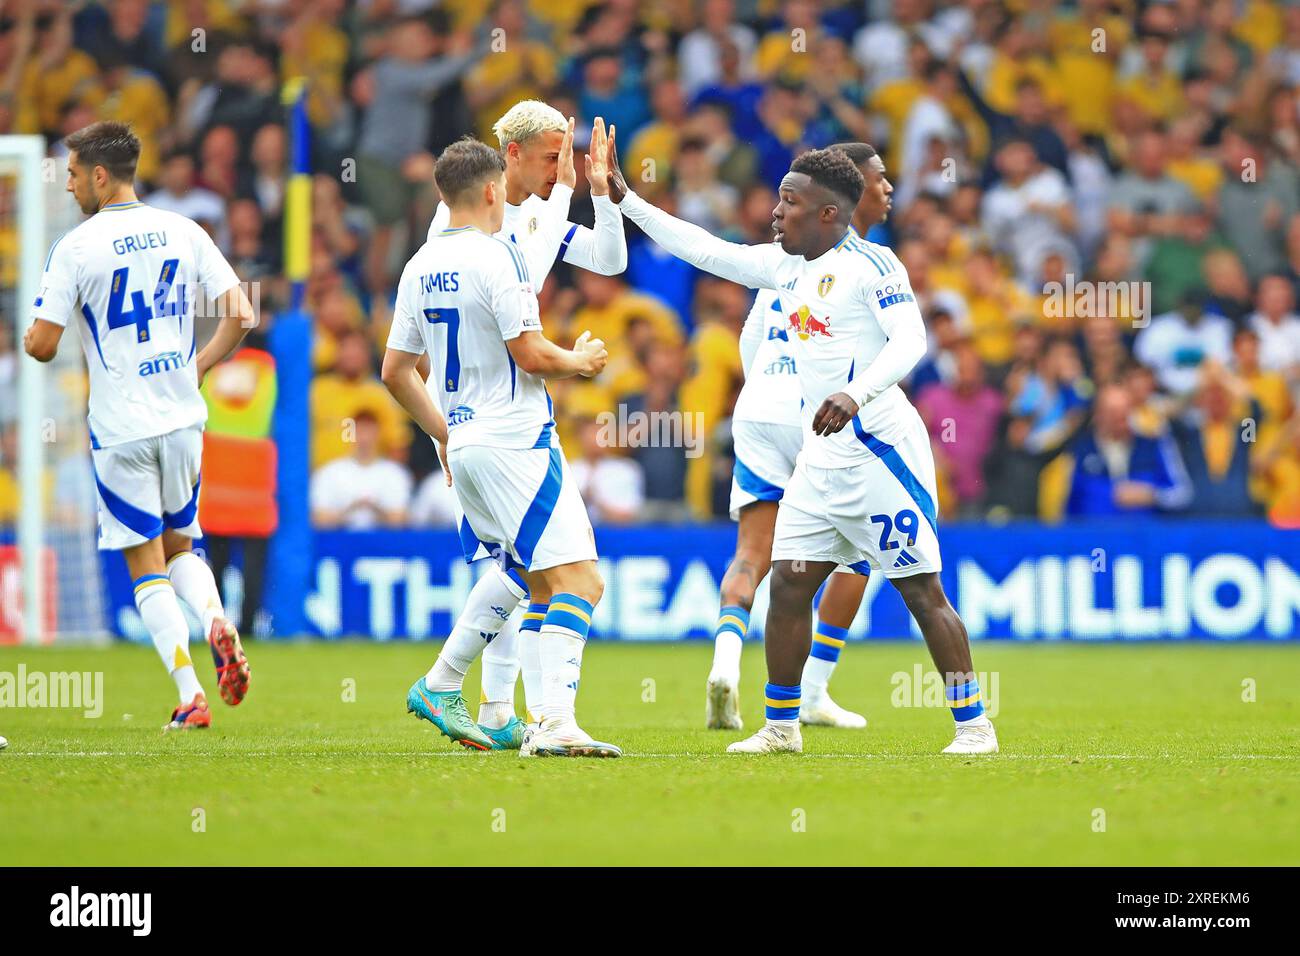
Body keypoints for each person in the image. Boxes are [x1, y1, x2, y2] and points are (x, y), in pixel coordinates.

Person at [608, 144, 998, 756]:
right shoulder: (785, 267)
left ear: (828, 214)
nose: (775, 211)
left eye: (790, 202)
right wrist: (626, 200)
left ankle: (974, 726)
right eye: (779, 197)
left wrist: (856, 392)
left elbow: (910, 341)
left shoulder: (874, 266)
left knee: (921, 590)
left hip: (878, 450)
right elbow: (708, 250)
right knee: (789, 584)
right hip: (821, 456)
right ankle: (782, 727)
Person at [382, 137, 618, 758]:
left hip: (466, 444)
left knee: (524, 574)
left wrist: (443, 431)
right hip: (516, 440)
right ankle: (555, 725)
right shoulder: (500, 257)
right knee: (582, 581)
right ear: (493, 190)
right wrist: (583, 361)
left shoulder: (418, 265)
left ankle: (451, 686)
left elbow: (396, 371)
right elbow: (532, 353)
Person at [23, 122, 253, 731]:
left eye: (73, 174)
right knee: (183, 543)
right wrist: (197, 365)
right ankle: (215, 619)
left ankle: (190, 695)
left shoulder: (75, 246)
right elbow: (243, 314)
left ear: (100, 175)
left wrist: (31, 335)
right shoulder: (185, 230)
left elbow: (43, 345)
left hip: (121, 426)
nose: (69, 186)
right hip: (182, 418)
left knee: (144, 561)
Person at [707, 142, 896, 734]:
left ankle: (725, 666)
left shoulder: (783, 258)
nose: (888, 191)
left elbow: (749, 343)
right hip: (821, 418)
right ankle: (810, 690)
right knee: (860, 551)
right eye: (880, 181)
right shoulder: (866, 263)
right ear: (850, 194)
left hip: (759, 407)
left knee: (752, 555)